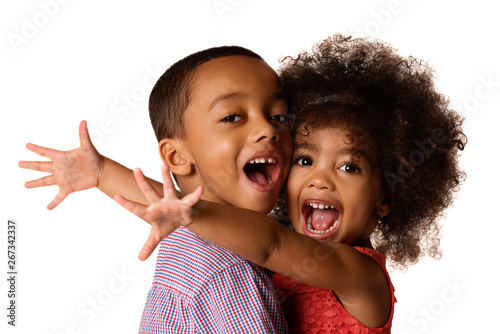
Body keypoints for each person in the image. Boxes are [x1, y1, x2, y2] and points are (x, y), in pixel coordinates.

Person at [113, 35, 467, 333]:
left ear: (385, 198)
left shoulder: (361, 274)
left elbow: (270, 244)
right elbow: (172, 204)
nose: (320, 179)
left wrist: (190, 214)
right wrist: (99, 173)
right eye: (304, 160)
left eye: (349, 167)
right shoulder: (259, 244)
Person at [20, 46, 293, 333]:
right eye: (232, 117)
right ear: (177, 157)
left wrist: (101, 172)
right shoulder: (229, 274)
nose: (268, 128)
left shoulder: (187, 230)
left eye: (280, 117)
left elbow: (174, 206)